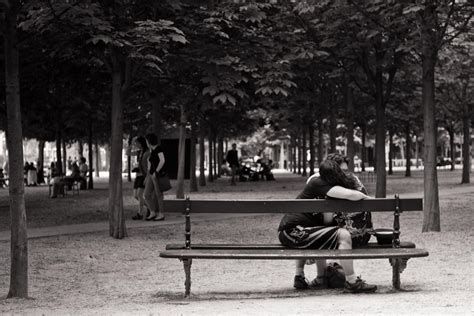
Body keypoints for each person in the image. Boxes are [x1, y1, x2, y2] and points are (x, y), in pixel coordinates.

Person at [278, 155, 376, 293]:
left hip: (293, 230)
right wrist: (366, 197)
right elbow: (350, 195)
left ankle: (306, 277)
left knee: (329, 233)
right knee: (343, 235)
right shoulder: (321, 183)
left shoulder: (319, 182)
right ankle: (352, 282)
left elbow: (326, 223)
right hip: (293, 231)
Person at [127, 136, 151, 220]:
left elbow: (149, 166)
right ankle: (151, 208)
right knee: (136, 196)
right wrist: (131, 143)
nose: (136, 145)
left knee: (140, 195)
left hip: (143, 176)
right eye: (136, 143)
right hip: (138, 176)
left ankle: (140, 213)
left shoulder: (147, 152)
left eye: (137, 143)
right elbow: (128, 153)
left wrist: (147, 177)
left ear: (142, 143)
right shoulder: (139, 152)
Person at [143, 133, 166, 221]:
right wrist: (147, 177)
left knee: (159, 195)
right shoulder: (151, 150)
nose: (146, 142)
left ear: (149, 141)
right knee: (146, 194)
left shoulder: (158, 149)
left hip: (157, 176)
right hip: (151, 176)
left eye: (146, 140)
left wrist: (156, 171)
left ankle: (161, 214)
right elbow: (149, 166)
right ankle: (152, 212)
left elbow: (162, 161)